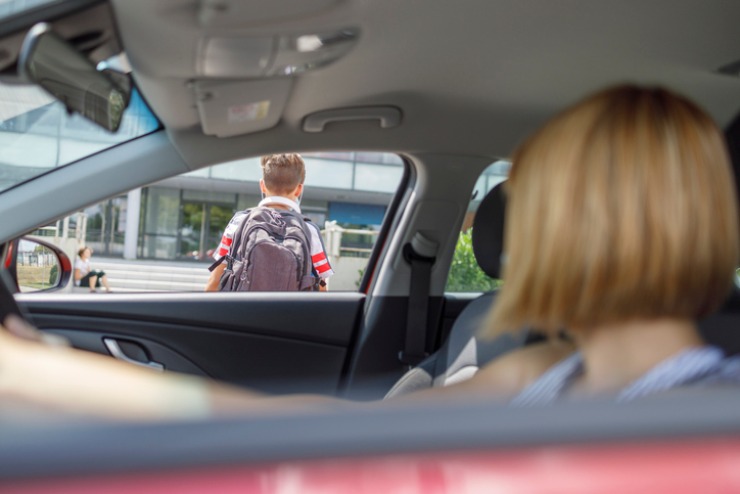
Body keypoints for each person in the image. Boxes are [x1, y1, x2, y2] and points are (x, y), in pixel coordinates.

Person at [0, 84, 738, 420]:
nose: (509, 234)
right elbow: (337, 437)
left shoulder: (714, 417)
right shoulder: (541, 372)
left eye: (532, 205)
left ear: (591, 226)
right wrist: (42, 372)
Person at [205, 153, 334, 292]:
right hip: (291, 312)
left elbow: (215, 281)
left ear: (262, 185)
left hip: (242, 311)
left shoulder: (239, 222)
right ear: (299, 189)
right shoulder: (309, 231)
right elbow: (321, 287)